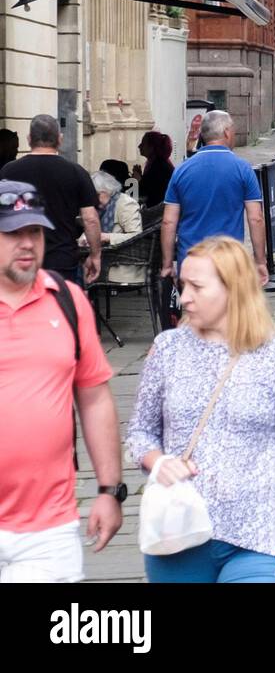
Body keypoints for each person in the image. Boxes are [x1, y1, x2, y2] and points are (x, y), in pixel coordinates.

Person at [127, 236, 275, 583]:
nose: (185, 297)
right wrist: (158, 461)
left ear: (232, 289)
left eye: (196, 286)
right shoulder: (167, 349)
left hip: (261, 532)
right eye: (182, 285)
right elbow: (139, 432)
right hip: (179, 533)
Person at [0, 182, 123, 581]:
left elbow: (94, 398)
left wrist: (109, 490)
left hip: (49, 528)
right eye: (13, 233)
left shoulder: (67, 301)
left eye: (34, 232)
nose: (27, 244)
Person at [160, 110, 268, 284]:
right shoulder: (243, 169)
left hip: (191, 258)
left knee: (193, 308)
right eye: (233, 130)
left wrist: (167, 264)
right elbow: (255, 218)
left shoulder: (181, 170)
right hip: (228, 259)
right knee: (228, 309)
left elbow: (168, 221)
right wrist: (260, 261)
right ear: (226, 132)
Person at [1, 114, 101, 285]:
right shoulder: (76, 172)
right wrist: (95, 255)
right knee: (58, 307)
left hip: (18, 258)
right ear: (60, 140)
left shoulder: (8, 171)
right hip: (62, 259)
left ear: (29, 139)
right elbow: (90, 219)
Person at [90, 170, 144, 284]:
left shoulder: (125, 203)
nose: (93, 199)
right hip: (105, 256)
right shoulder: (101, 206)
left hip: (121, 264)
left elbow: (137, 236)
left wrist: (108, 237)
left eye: (97, 194)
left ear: (107, 191)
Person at [134, 130, 174, 207]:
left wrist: (138, 179)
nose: (139, 146)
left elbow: (146, 192)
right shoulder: (159, 165)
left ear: (151, 147)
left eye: (143, 144)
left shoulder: (159, 168)